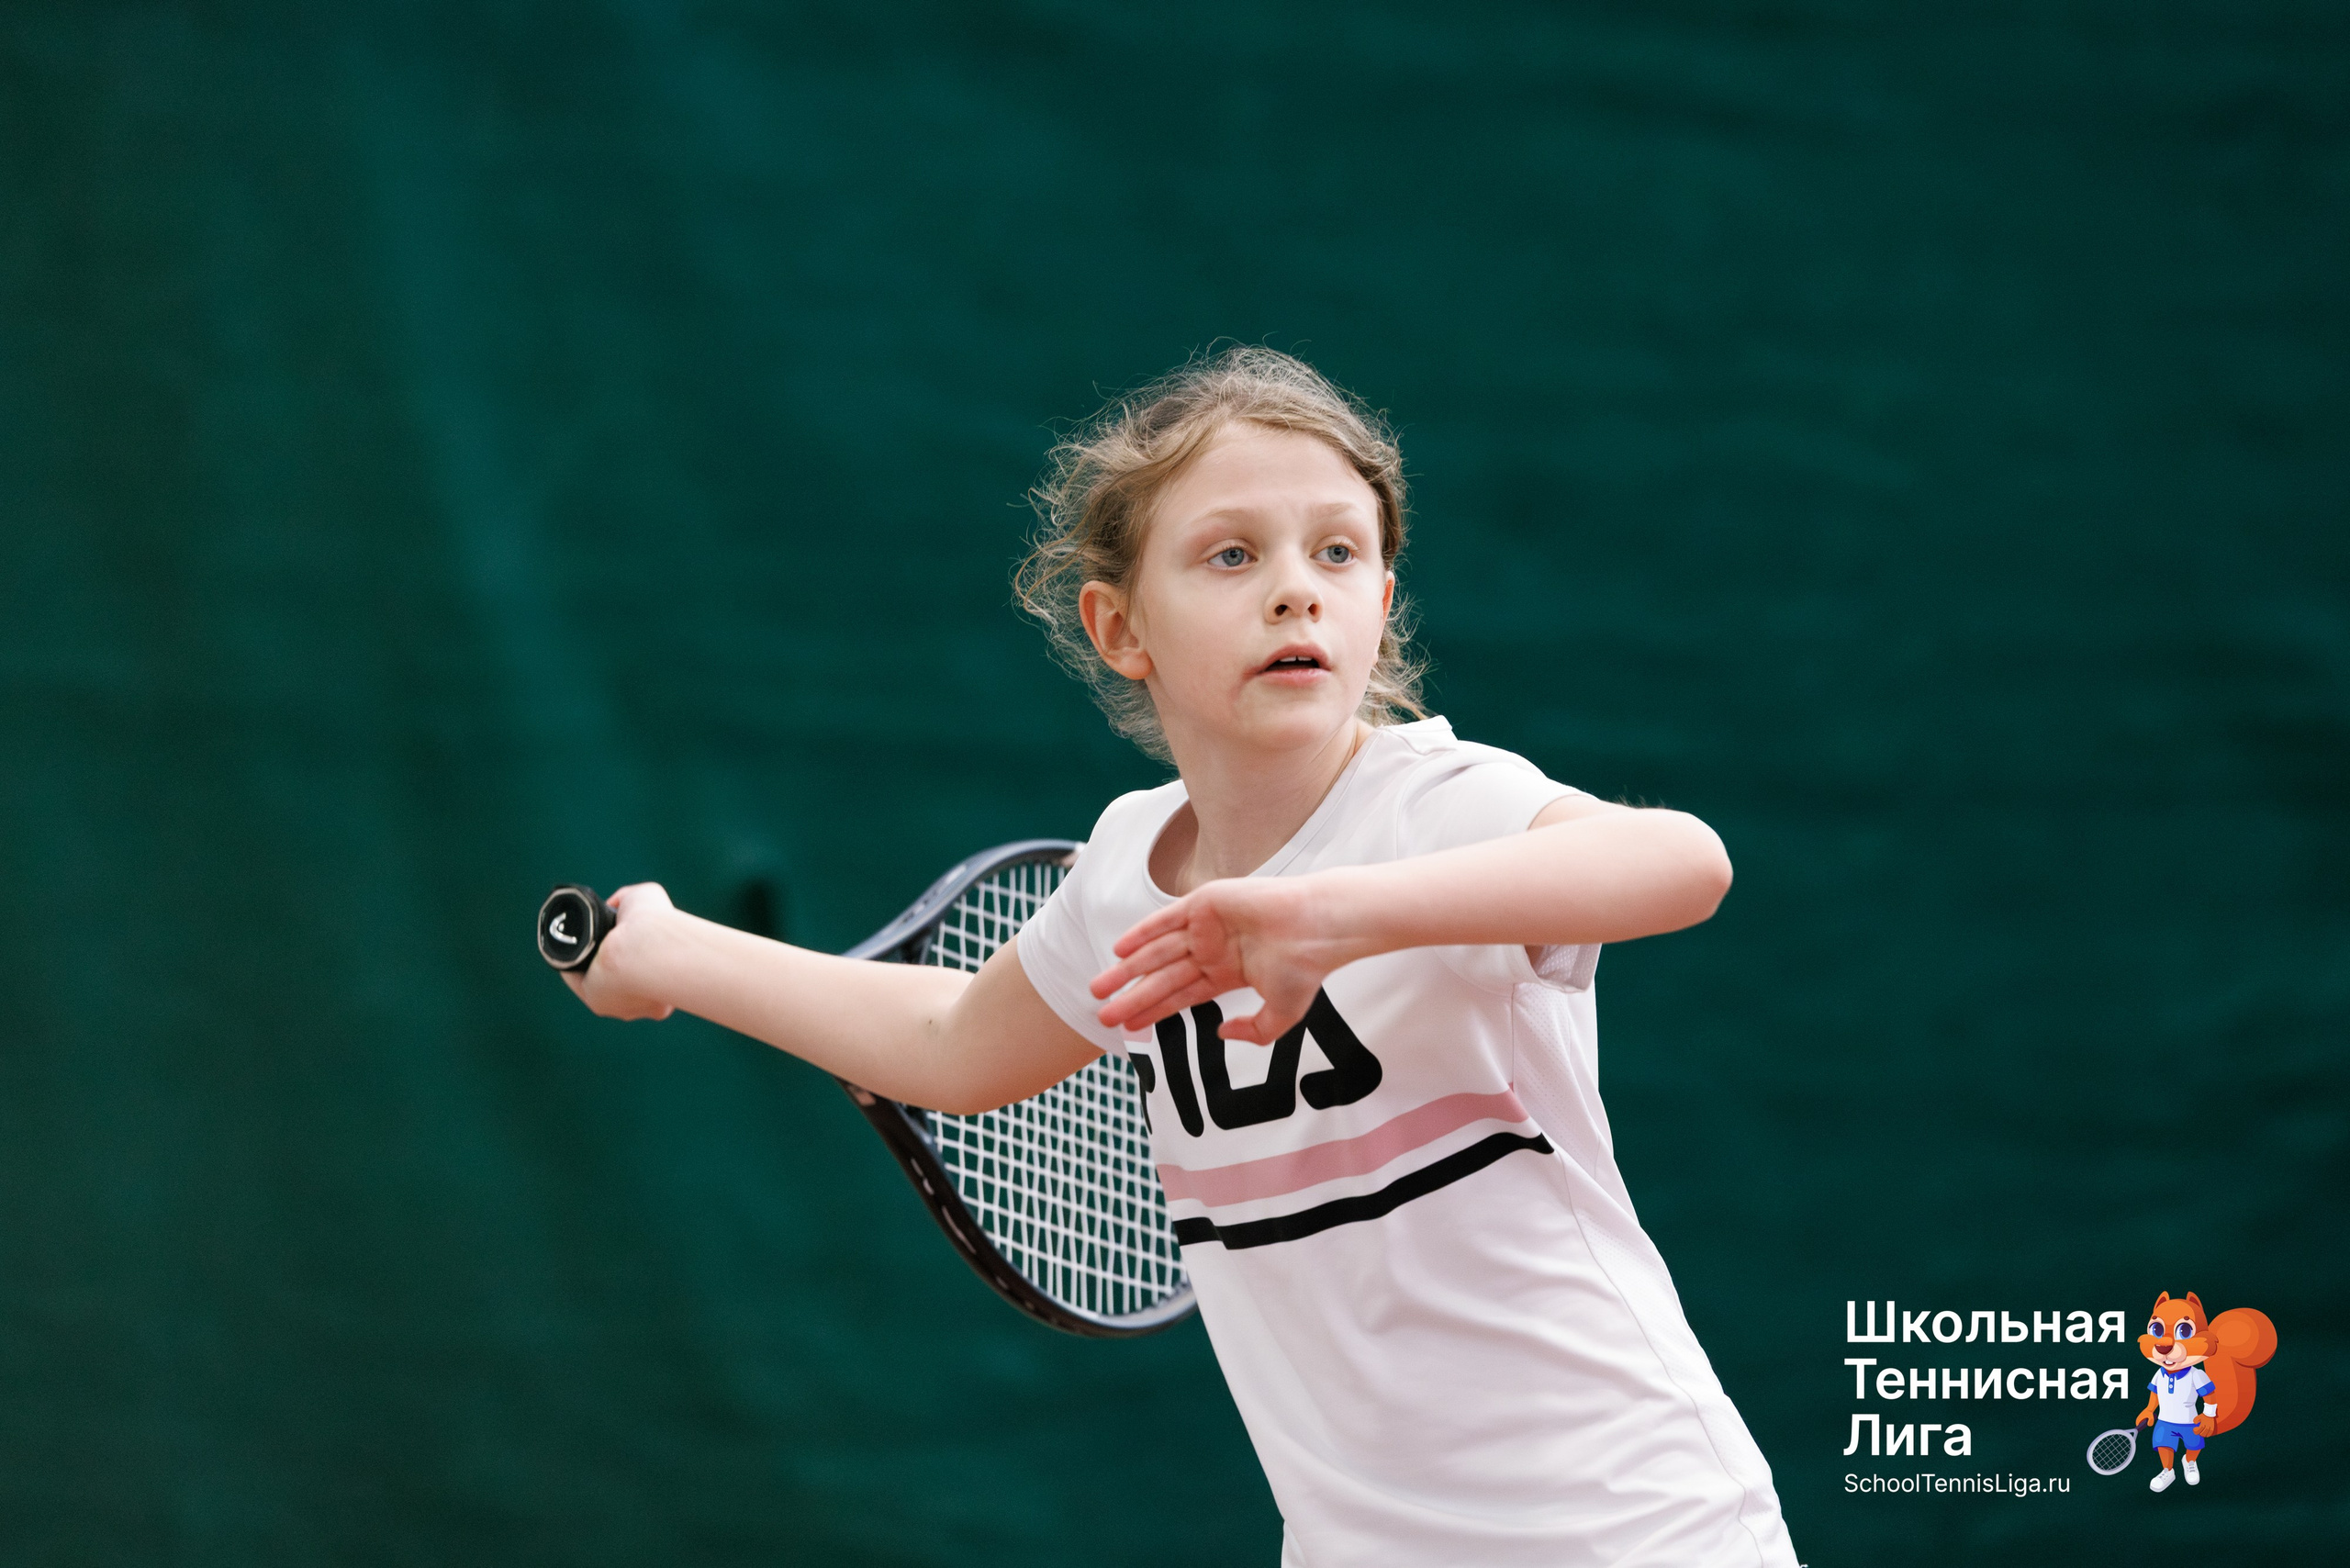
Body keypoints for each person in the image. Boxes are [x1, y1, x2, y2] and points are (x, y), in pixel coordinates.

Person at [563, 347, 1799, 1567]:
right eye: (1230, 554)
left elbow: (1683, 862)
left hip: (1636, 1529)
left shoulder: (1441, 802)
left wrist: (1339, 915)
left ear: (1380, 601)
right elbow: (951, 1044)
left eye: (1338, 552)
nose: (1294, 590)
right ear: (1119, 626)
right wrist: (672, 953)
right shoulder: (1125, 867)